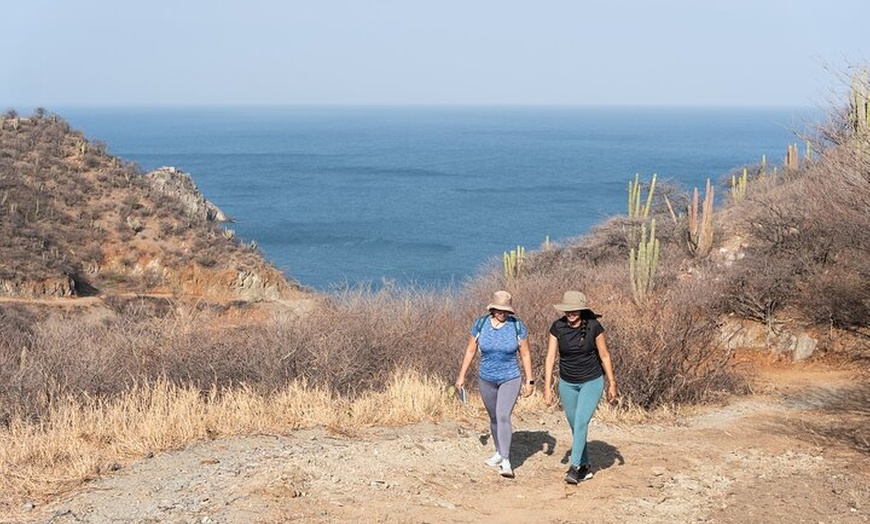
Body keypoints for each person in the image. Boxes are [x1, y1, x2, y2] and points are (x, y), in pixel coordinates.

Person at [456, 290, 534, 478]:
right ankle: (499, 451)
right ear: (493, 309)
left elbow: (525, 353)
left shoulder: (517, 326)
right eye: (499, 309)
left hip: (510, 377)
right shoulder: (481, 324)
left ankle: (506, 461)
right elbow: (470, 350)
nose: (502, 313)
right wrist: (461, 376)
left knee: (503, 415)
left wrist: (530, 380)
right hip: (486, 377)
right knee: (493, 417)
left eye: (506, 310)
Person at [543, 290, 618, 485]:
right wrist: (547, 386)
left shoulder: (594, 326)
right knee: (575, 425)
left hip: (591, 381)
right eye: (568, 310)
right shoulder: (557, 327)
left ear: (581, 310)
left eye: (575, 310)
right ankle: (585, 466)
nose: (571, 314)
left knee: (581, 422)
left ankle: (575, 467)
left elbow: (605, 355)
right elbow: (550, 357)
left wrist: (612, 383)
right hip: (567, 383)